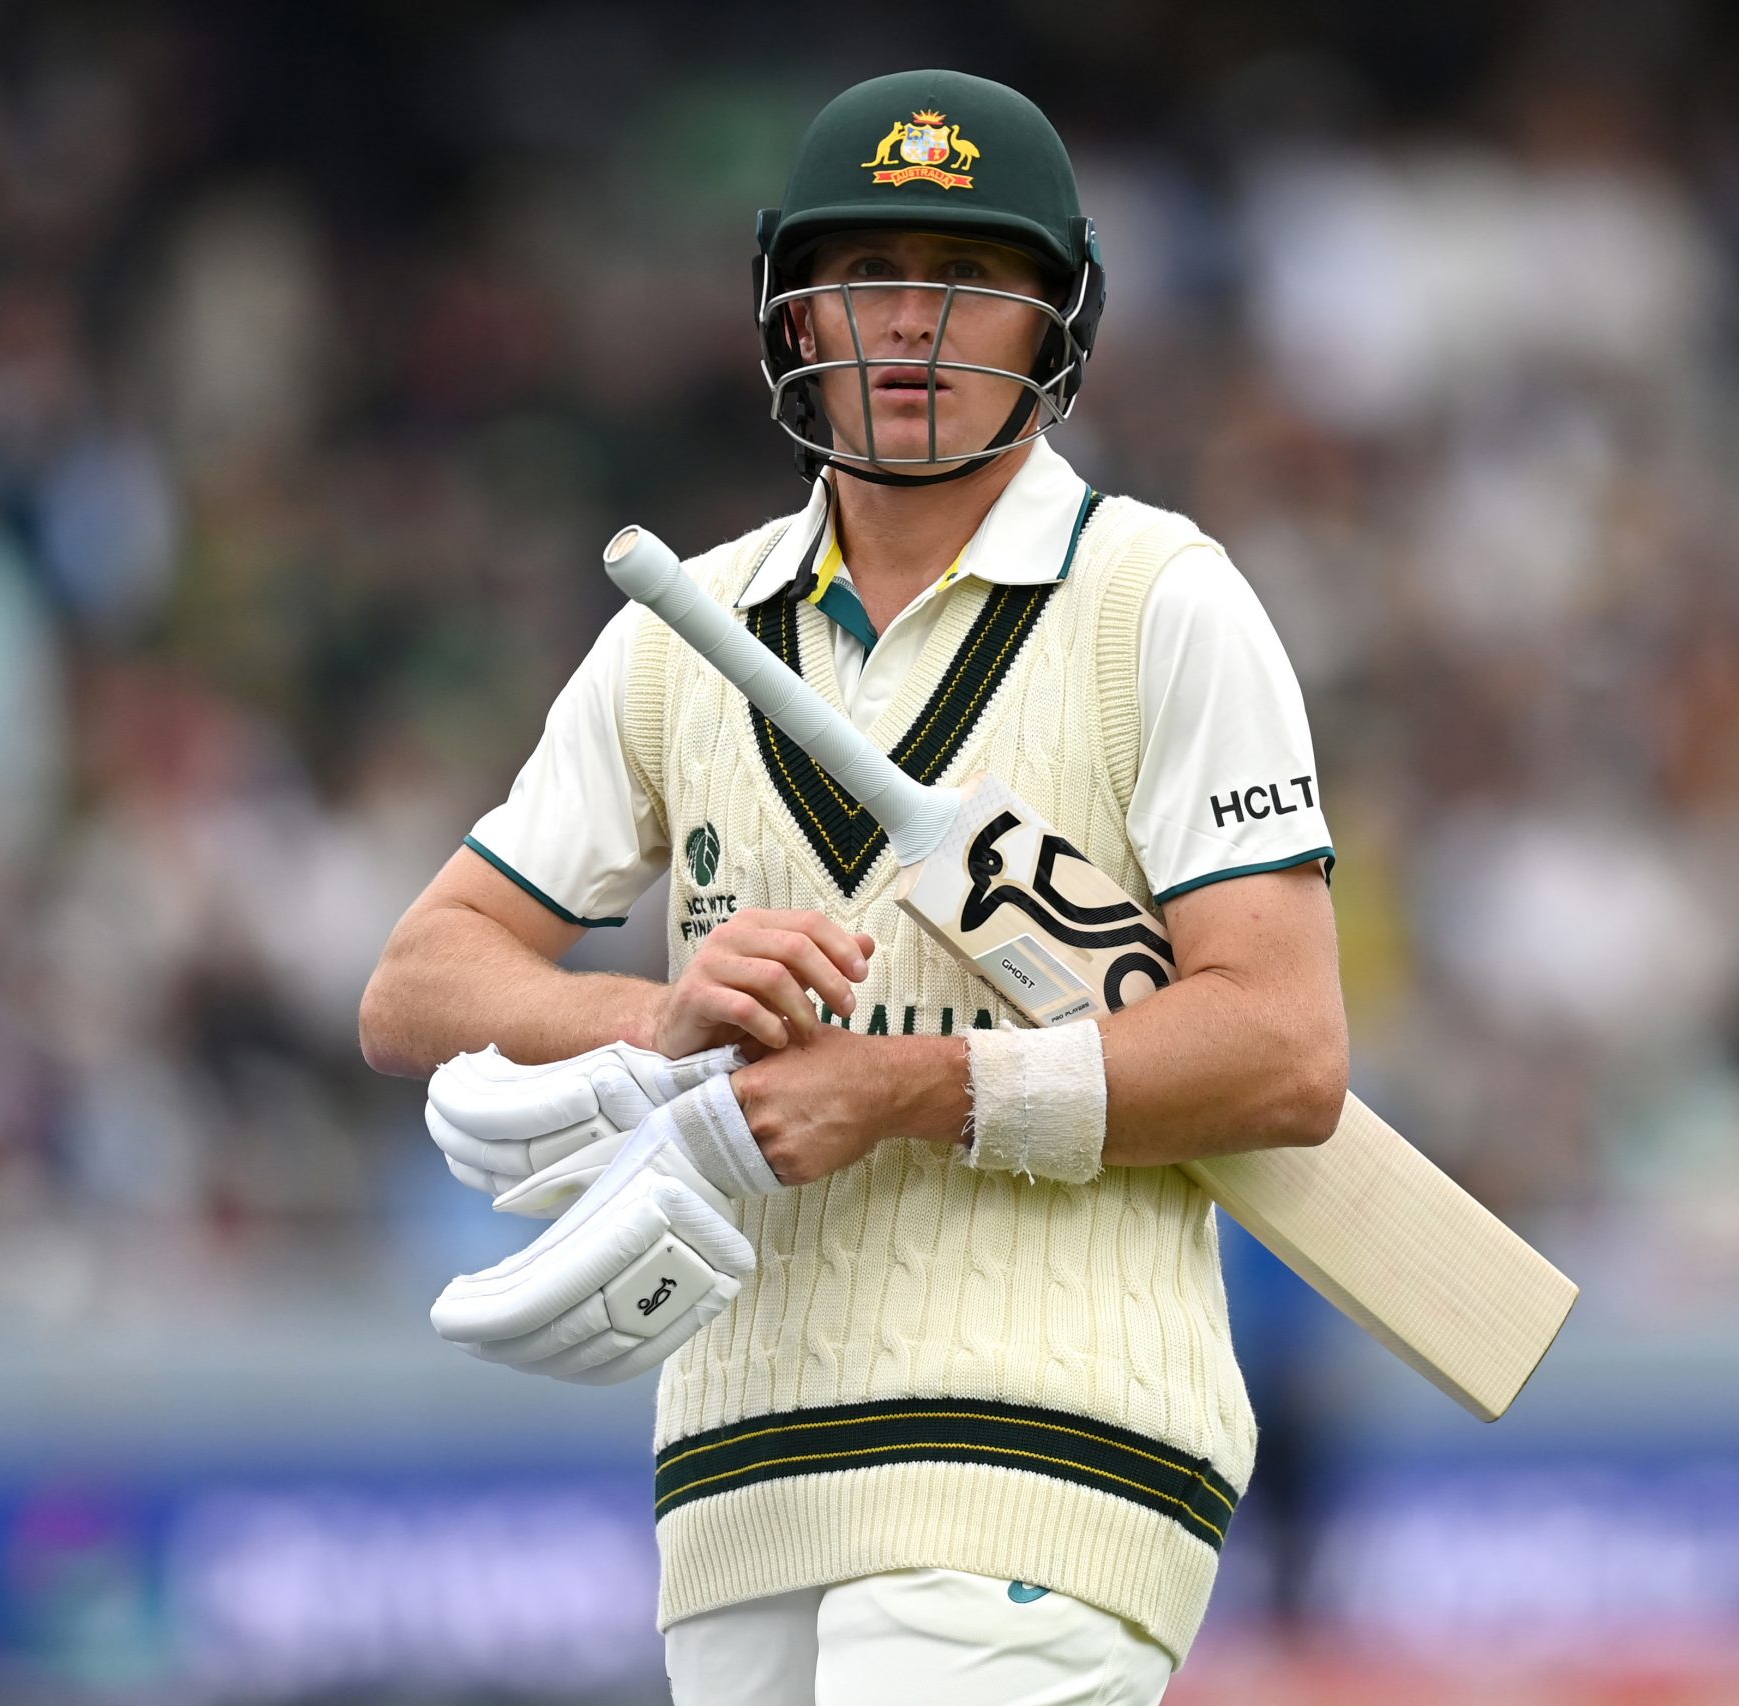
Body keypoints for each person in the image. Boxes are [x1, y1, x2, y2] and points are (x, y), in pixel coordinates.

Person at [360, 68, 1346, 1706]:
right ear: (793, 310)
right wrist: (660, 1016)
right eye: (868, 273)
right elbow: (417, 985)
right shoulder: (683, 632)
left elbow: (1287, 1053)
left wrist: (902, 1088)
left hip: (1044, 1442)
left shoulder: (1160, 600)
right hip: (737, 1466)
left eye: (967, 276)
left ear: (1057, 318)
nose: (910, 322)